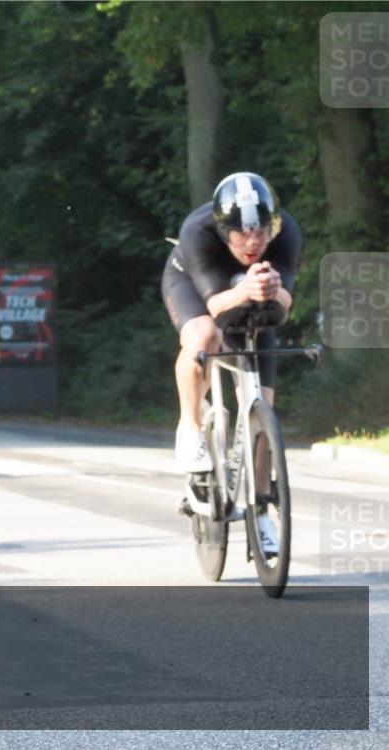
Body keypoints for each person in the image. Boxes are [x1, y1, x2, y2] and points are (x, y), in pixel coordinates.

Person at [162, 172, 301, 551]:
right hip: (196, 287)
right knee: (205, 337)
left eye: (261, 233)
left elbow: (287, 301)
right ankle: (191, 428)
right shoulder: (199, 230)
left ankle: (260, 510)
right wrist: (243, 289)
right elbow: (215, 306)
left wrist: (273, 291)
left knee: (264, 409)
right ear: (224, 231)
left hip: (256, 296)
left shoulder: (285, 231)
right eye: (241, 234)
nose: (254, 242)